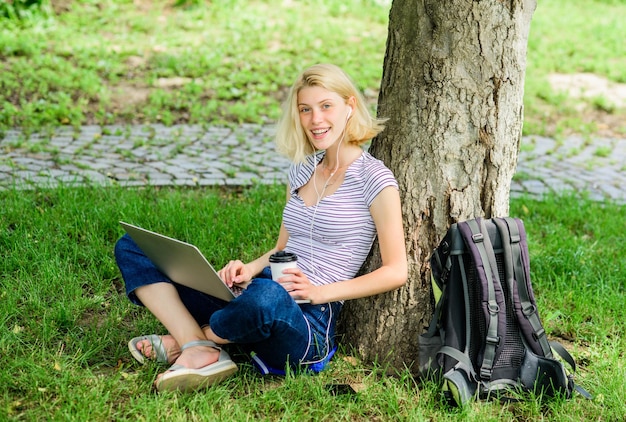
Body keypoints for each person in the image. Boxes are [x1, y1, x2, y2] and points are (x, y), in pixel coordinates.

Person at [115, 63, 408, 392]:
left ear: (349, 106)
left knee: (266, 298)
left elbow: (396, 271)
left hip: (305, 319)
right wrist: (249, 268)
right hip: (256, 293)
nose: (316, 120)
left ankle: (197, 342)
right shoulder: (302, 170)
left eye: (326, 106)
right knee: (133, 246)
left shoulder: (375, 179)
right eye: (305, 109)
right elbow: (282, 250)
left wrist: (318, 292)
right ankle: (198, 345)